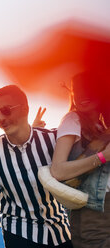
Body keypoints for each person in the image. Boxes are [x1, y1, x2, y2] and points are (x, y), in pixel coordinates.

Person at [0, 85, 72, 247]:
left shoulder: (53, 140)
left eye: (5, 110)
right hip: (19, 231)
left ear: (25, 108)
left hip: (60, 230)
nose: (0, 119)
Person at [50, 71, 110, 248]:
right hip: (94, 212)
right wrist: (103, 157)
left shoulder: (102, 126)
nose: (82, 95)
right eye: (77, 90)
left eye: (88, 89)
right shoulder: (72, 120)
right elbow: (58, 171)